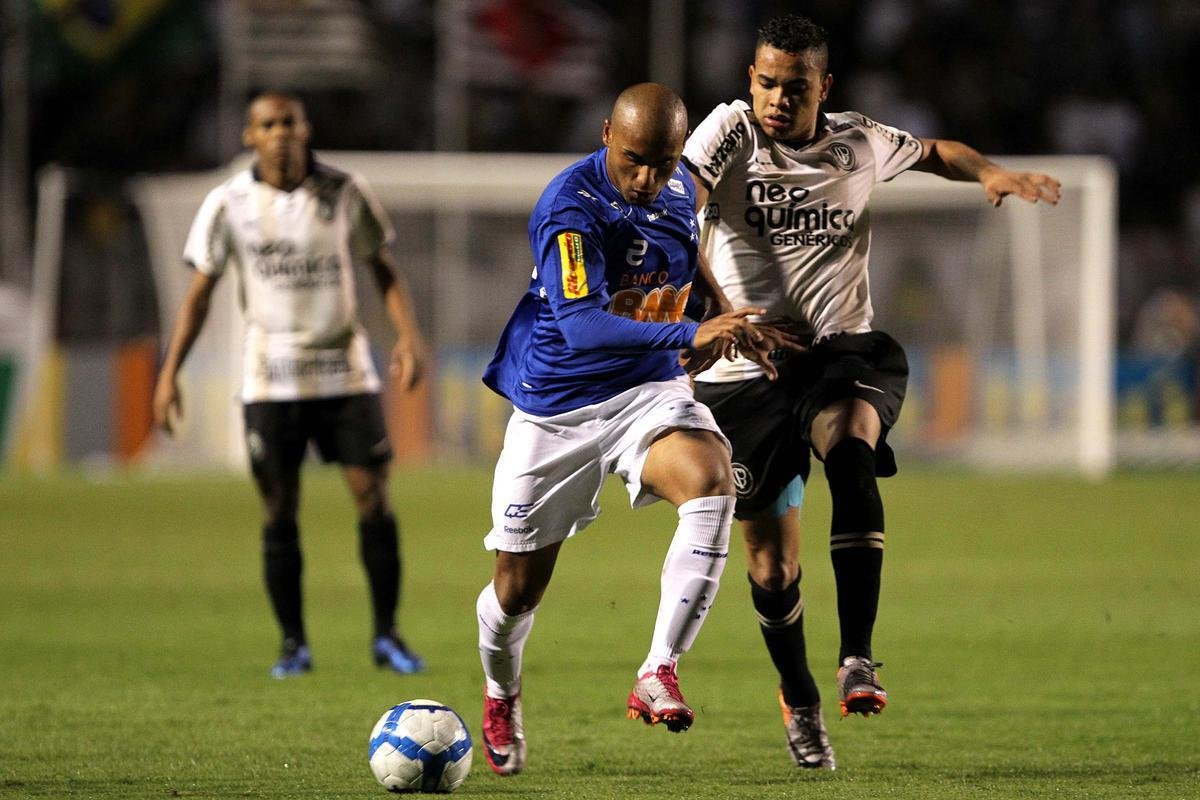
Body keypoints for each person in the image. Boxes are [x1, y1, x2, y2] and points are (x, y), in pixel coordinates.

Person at [682, 14, 1062, 769]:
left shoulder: (858, 141)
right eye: (765, 82)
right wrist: (717, 313)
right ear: (748, 81)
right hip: (745, 372)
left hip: (836, 352)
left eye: (796, 86)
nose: (777, 99)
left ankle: (858, 657)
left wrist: (988, 172)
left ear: (826, 86)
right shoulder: (726, 135)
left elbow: (936, 153)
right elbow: (672, 210)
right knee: (772, 568)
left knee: (852, 445)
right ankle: (799, 696)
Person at [475, 82, 796, 777]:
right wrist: (692, 328)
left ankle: (659, 671)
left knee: (712, 481)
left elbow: (687, 255)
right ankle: (501, 689)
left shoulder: (680, 188)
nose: (649, 178)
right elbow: (582, 327)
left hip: (649, 388)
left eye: (663, 160)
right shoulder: (570, 207)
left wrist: (729, 316)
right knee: (516, 591)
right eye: (633, 160)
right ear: (604, 136)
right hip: (559, 406)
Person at [152, 92, 430, 679]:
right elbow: (199, 296)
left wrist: (407, 337)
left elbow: (383, 269)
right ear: (250, 136)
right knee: (279, 509)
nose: (280, 133)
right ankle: (293, 645)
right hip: (269, 377)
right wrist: (169, 372)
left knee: (373, 498)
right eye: (267, 124)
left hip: (345, 371)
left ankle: (386, 635)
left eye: (289, 123)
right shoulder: (228, 203)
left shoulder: (344, 191)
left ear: (306, 129)